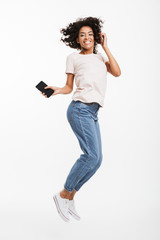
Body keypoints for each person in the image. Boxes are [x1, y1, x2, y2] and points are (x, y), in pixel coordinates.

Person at [41, 16, 121, 222]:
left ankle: (69, 197)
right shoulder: (73, 58)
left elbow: (117, 73)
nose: (86, 37)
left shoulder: (100, 58)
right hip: (79, 109)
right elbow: (69, 87)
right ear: (77, 39)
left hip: (93, 113)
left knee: (97, 159)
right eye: (82, 35)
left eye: (90, 35)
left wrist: (106, 48)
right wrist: (56, 90)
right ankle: (63, 195)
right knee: (91, 157)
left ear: (96, 38)